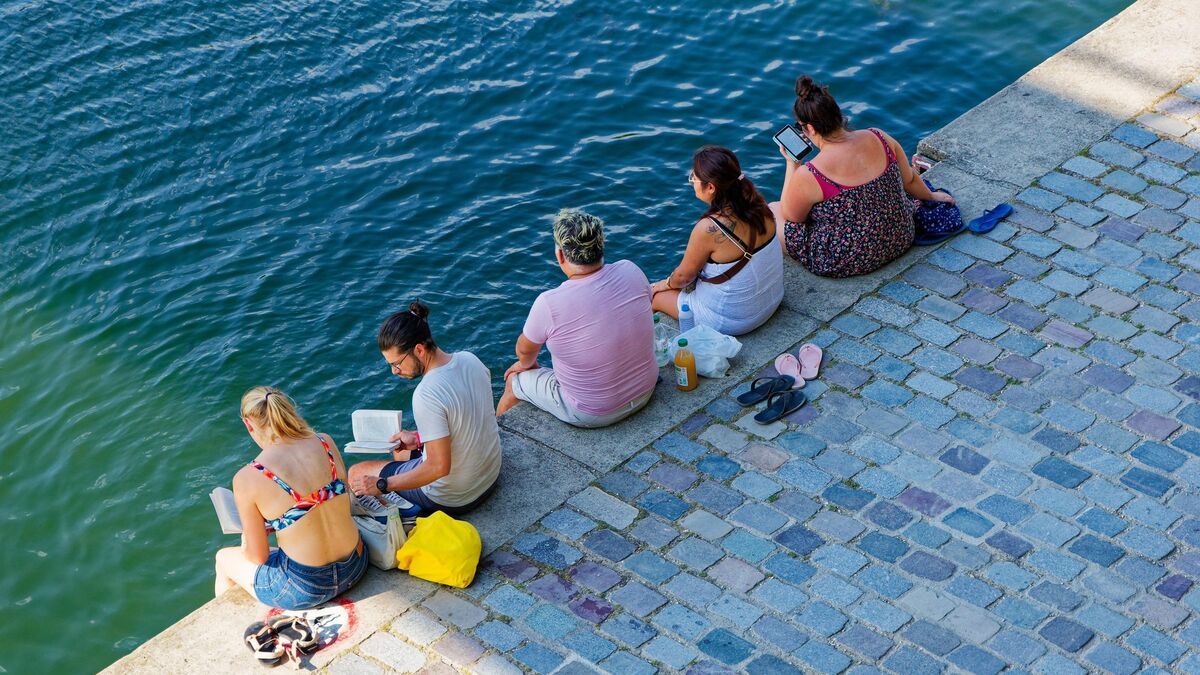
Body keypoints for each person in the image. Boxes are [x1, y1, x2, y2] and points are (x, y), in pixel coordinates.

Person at [775, 75, 955, 278]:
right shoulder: (879, 136)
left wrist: (792, 164)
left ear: (811, 128)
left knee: (773, 211)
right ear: (837, 115)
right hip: (901, 238)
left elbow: (792, 217)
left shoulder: (811, 174)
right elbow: (910, 180)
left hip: (850, 259)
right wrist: (931, 196)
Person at [496, 209, 658, 427]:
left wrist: (526, 365)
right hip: (645, 390)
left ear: (560, 255)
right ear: (601, 246)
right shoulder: (631, 270)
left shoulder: (549, 303)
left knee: (513, 382)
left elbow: (524, 349)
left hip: (593, 413)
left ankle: (498, 436)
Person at [214, 387, 366, 610]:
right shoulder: (325, 441)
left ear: (248, 424)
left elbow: (258, 556)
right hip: (355, 565)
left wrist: (247, 540)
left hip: (307, 588)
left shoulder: (249, 477)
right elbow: (338, 500)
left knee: (223, 559)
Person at [348, 302, 501, 515]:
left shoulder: (427, 393)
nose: (394, 371)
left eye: (397, 363)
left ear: (419, 349)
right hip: (489, 478)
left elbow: (439, 467)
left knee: (357, 472)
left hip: (456, 497)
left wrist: (382, 485)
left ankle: (404, 516)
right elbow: (467, 420)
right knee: (402, 453)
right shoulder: (470, 360)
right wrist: (419, 439)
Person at [650, 145, 783, 336]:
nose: (692, 182)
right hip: (772, 301)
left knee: (654, 297)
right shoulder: (760, 205)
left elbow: (683, 278)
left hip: (733, 321)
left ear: (711, 187)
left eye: (694, 178)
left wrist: (662, 285)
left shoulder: (709, 228)